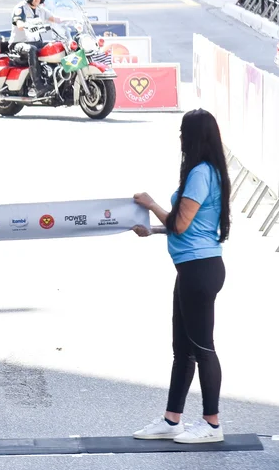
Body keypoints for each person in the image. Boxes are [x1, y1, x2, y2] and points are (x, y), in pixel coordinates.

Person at [130, 108, 231, 444]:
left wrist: (151, 204)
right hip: (193, 268)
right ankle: (172, 419)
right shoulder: (208, 171)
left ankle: (212, 424)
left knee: (202, 348)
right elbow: (189, 227)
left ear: (193, 137)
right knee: (183, 350)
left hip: (200, 270)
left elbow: (181, 223)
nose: (179, 138)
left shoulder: (201, 173)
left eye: (182, 132)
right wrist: (153, 230)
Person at [8, 0, 59, 97]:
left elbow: (56, 19)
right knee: (31, 49)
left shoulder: (41, 10)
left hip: (36, 43)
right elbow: (19, 24)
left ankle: (57, 80)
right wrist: (28, 25)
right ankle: (39, 87)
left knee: (56, 46)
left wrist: (73, 20)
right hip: (18, 45)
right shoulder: (20, 8)